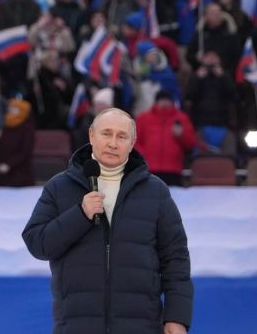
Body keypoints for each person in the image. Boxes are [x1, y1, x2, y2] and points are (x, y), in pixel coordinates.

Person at [23, 108, 193, 334]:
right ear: (91, 135)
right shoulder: (59, 187)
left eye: (122, 136)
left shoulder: (155, 191)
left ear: (132, 143)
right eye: (106, 133)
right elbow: (37, 243)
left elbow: (176, 258)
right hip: (77, 325)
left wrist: (176, 317)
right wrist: (80, 214)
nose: (113, 143)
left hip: (140, 326)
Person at [134, 90, 198, 186]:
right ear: (156, 102)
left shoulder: (182, 118)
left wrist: (181, 135)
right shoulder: (143, 118)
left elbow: (191, 143)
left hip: (173, 170)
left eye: (167, 100)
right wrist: (143, 156)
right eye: (162, 100)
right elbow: (134, 142)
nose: (165, 103)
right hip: (149, 169)